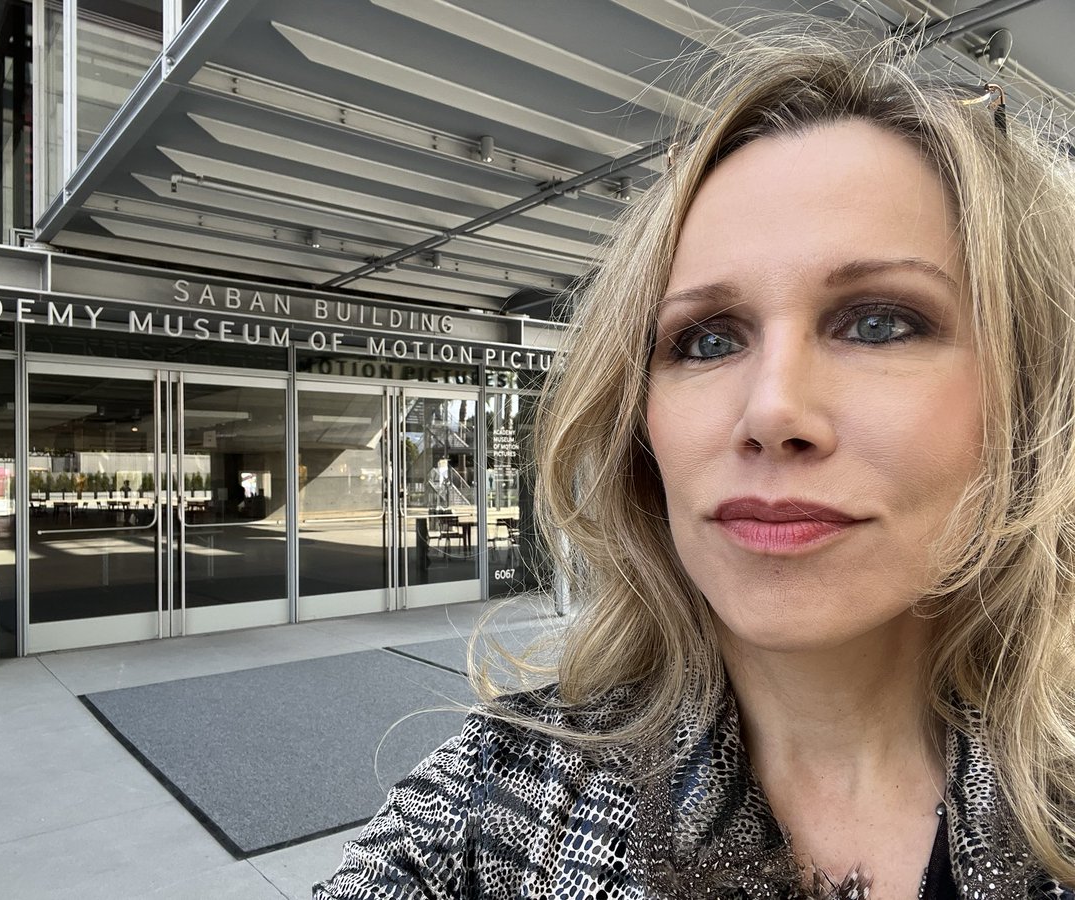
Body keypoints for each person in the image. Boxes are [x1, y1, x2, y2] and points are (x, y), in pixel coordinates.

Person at [316, 22, 1075, 900]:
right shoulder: (486, 816)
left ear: (1031, 396)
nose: (770, 411)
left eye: (878, 322)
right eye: (708, 340)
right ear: (639, 425)